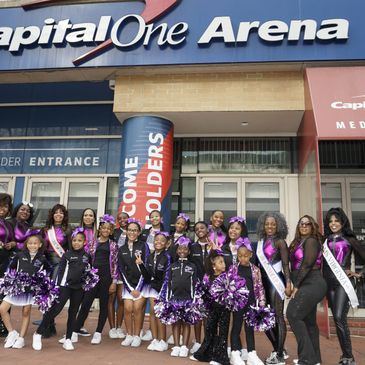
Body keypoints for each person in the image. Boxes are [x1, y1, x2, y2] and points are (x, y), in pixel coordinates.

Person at [32, 227, 95, 351]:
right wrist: (59, 287)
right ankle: (38, 333)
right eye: (74, 240)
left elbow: (89, 271)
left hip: (79, 288)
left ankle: (68, 339)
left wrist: (86, 285)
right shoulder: (67, 255)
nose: (76, 243)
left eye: (79, 240)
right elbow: (61, 272)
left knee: (73, 312)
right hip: (65, 287)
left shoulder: (87, 256)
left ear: (84, 242)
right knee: (56, 310)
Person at [322, 208, 365, 365]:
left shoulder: (349, 239)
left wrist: (359, 274)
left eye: (336, 221)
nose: (333, 224)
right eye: (331, 221)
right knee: (337, 319)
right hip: (328, 283)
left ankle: (349, 357)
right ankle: (345, 356)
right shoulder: (324, 240)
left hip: (343, 283)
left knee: (340, 317)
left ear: (342, 222)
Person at [286, 216, 327, 365]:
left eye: (307, 223)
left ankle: (307, 359)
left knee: (293, 314)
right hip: (305, 283)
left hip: (312, 282)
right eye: (301, 223)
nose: (304, 226)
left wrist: (296, 286)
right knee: (309, 321)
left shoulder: (311, 241)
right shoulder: (297, 242)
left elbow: (308, 263)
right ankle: (315, 360)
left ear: (312, 226)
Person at [74, 214, 118, 344]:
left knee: (104, 305)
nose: (105, 230)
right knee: (86, 303)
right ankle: (75, 330)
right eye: (103, 228)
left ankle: (98, 332)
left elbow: (115, 264)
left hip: (107, 278)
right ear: (99, 229)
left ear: (111, 231)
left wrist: (114, 282)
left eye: (108, 228)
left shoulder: (113, 245)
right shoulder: (92, 243)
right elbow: (86, 260)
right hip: (93, 277)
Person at [0, 231, 48, 349]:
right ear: (26, 245)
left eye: (35, 243)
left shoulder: (42, 258)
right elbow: (10, 268)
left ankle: (21, 338)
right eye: (30, 243)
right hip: (17, 288)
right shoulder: (19, 255)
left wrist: (42, 284)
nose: (32, 245)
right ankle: (12, 332)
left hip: (30, 290)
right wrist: (11, 279)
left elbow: (48, 272)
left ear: (40, 245)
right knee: (2, 309)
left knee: (26, 312)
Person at [255, 212, 291, 365]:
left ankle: (279, 354)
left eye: (273, 224)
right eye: (267, 224)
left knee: (277, 317)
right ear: (263, 225)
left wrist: (288, 282)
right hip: (263, 283)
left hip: (276, 283)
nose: (270, 226)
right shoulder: (260, 242)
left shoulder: (281, 242)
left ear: (278, 226)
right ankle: (279, 350)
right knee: (265, 319)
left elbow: (285, 265)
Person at [190, 250, 230, 365]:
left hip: (224, 309)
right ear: (213, 266)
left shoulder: (227, 277)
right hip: (212, 308)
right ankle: (204, 354)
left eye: (223, 262)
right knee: (209, 330)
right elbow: (204, 292)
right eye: (220, 262)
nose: (224, 264)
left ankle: (220, 358)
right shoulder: (208, 277)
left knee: (222, 332)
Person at [230, 244, 266, 365]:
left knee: (249, 328)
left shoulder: (255, 269)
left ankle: (252, 354)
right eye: (240, 256)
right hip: (238, 303)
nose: (243, 258)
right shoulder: (233, 269)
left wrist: (261, 301)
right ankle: (234, 353)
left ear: (250, 255)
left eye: (245, 256)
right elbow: (228, 285)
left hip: (251, 302)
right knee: (236, 326)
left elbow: (260, 286)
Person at [40, 203, 71, 337]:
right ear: (52, 215)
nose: (58, 215)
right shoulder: (46, 229)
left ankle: (47, 324)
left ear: (64, 216)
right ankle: (49, 324)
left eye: (61, 213)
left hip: (59, 264)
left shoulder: (68, 230)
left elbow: (70, 249)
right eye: (56, 212)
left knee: (54, 293)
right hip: (46, 264)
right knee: (45, 294)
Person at [137, 231, 171, 352]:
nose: (159, 242)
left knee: (159, 315)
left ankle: (163, 340)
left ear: (167, 243)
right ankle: (155, 339)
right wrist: (141, 265)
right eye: (157, 240)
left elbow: (167, 276)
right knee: (152, 313)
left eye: (162, 240)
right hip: (152, 288)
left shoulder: (167, 257)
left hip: (162, 290)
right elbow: (147, 276)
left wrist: (162, 291)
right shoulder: (150, 256)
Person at [118, 218, 150, 348]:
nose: (132, 232)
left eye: (135, 230)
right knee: (127, 308)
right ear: (126, 231)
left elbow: (147, 266)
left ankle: (137, 335)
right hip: (128, 285)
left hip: (142, 284)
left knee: (137, 309)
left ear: (139, 232)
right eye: (130, 230)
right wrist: (130, 288)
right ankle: (129, 335)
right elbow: (121, 269)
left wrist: (138, 288)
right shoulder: (122, 248)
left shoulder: (143, 246)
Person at [168, 237, 197, 358]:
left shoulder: (192, 266)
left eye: (185, 248)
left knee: (186, 323)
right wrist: (168, 298)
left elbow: (195, 284)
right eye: (180, 248)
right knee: (176, 323)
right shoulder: (172, 266)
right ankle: (176, 346)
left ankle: (184, 346)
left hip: (187, 300)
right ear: (176, 250)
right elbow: (168, 282)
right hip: (174, 299)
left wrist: (194, 299)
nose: (182, 250)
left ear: (189, 251)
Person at [108, 211, 130, 340]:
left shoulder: (132, 231)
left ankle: (118, 326)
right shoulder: (114, 232)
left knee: (121, 299)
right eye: (119, 218)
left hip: (124, 270)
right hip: (112, 269)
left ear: (128, 218)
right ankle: (111, 328)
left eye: (124, 218)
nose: (122, 220)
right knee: (111, 298)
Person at [0, 193, 15, 337]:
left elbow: (13, 240)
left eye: (5, 206)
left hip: (5, 262)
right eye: (1, 205)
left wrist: (12, 243)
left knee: (4, 294)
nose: (3, 209)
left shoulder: (8, 223)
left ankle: (4, 326)